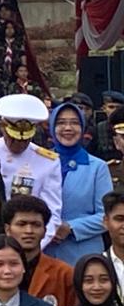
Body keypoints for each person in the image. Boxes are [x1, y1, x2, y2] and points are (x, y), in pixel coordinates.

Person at [0, 94, 62, 246]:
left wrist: (31, 248)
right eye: (13, 137)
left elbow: (52, 213)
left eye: (25, 139)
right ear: (2, 126)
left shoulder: (48, 161)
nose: (19, 143)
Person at [47, 101, 113, 266]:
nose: (68, 128)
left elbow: (106, 215)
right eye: (61, 123)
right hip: (45, 252)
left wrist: (70, 228)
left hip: (84, 256)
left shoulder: (97, 167)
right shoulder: (41, 162)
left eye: (74, 123)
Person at [4, 194, 75, 306]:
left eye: (36, 225)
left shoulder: (64, 274)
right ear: (7, 229)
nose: (29, 231)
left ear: (45, 231)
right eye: (21, 224)